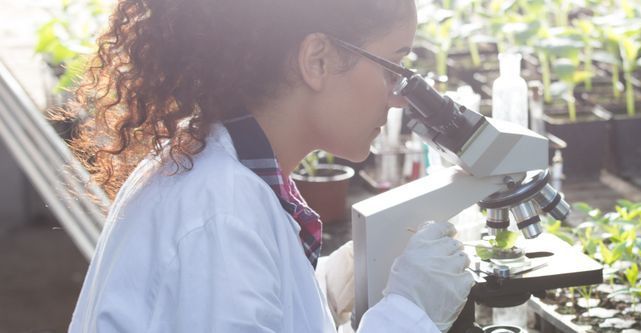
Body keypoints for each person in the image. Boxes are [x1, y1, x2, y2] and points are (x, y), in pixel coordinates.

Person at [64, 0, 474, 331]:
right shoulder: (220, 217)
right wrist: (409, 316)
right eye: (392, 67)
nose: (400, 97)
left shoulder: (213, 164)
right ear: (318, 60)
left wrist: (326, 285)